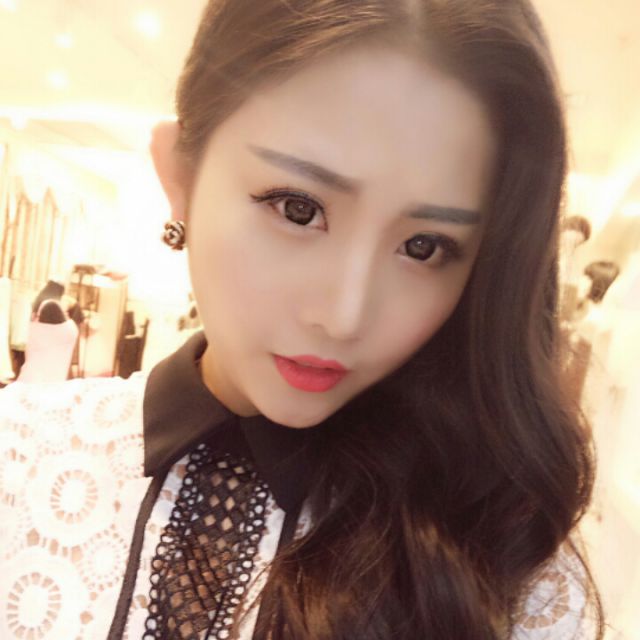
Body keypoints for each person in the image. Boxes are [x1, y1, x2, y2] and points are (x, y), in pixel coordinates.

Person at [0, 0, 604, 638]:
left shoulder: (505, 565)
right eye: (297, 209)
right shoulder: (19, 452)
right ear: (181, 175)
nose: (343, 317)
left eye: (423, 247)